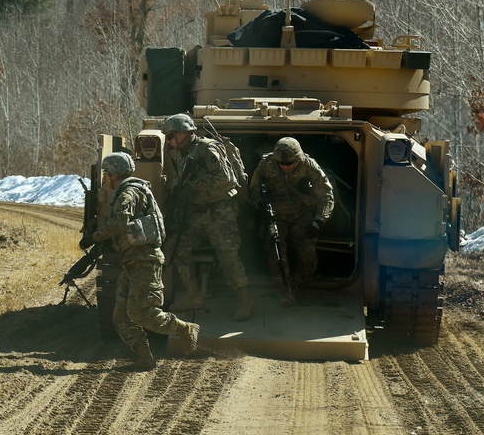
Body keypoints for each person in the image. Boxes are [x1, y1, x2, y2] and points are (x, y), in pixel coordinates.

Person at [92, 152, 200, 370]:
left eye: (106, 172)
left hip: (143, 262)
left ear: (113, 173)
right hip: (132, 263)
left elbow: (121, 220)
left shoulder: (128, 193)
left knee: (141, 313)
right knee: (121, 317)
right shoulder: (133, 189)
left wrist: (95, 236)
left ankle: (185, 328)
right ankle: (144, 358)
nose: (104, 176)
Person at [162, 113, 253, 322]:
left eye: (171, 136)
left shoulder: (207, 148)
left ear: (184, 133)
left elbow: (225, 180)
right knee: (175, 244)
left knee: (228, 256)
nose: (169, 141)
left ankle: (245, 299)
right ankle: (193, 295)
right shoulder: (183, 154)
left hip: (220, 211)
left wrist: (193, 188)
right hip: (197, 212)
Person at [249, 137, 334, 307]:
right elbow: (254, 190)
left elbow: (326, 195)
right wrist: (260, 205)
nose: (286, 167)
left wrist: (320, 220)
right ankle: (285, 289)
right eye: (282, 163)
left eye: (290, 163)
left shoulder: (309, 166)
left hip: (302, 213)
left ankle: (300, 284)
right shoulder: (267, 165)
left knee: (307, 253)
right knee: (275, 251)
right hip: (276, 214)